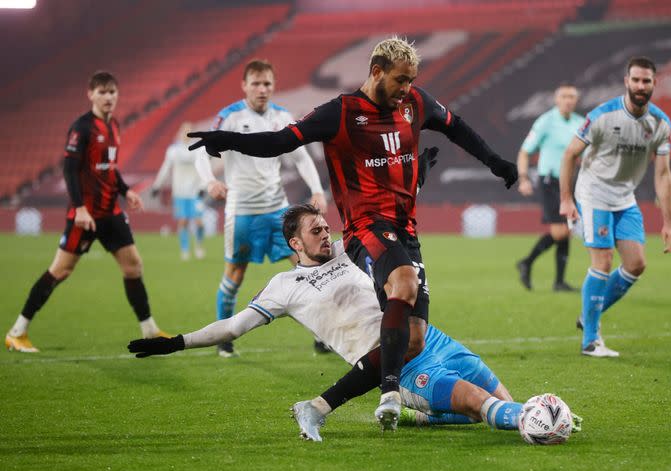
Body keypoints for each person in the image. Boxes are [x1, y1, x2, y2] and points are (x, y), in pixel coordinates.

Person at [187, 37, 517, 429]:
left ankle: (372, 409)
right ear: (376, 72)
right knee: (404, 283)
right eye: (400, 80)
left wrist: (494, 161)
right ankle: (390, 392)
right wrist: (229, 140)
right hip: (366, 229)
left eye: (412, 81)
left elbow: (456, 127)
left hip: (406, 230)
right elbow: (281, 141)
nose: (406, 90)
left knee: (414, 339)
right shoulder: (340, 113)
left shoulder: (415, 104)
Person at [128, 204, 582, 442]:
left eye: (326, 228)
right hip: (396, 366)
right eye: (315, 231)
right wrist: (174, 343)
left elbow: (384, 224)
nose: (326, 234)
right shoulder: (283, 286)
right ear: (294, 241)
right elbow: (230, 328)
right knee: (478, 403)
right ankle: (541, 424)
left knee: (501, 398)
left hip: (430, 338)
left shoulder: (349, 250)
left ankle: (512, 417)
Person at [5, 71, 169, 353]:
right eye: (103, 92)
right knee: (61, 270)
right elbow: (69, 169)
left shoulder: (114, 125)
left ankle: (150, 330)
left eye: (112, 92)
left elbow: (109, 167)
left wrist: (126, 191)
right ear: (90, 94)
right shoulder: (82, 128)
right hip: (86, 215)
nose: (108, 98)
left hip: (110, 213)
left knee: (133, 266)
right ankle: (17, 331)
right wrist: (80, 208)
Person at [194, 59, 327, 358]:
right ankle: (223, 338)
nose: (262, 89)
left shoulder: (281, 116)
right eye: (255, 83)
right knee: (235, 274)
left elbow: (302, 157)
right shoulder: (228, 117)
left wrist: (317, 189)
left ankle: (323, 335)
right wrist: (208, 181)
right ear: (244, 86)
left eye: (267, 83)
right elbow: (202, 151)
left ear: (273, 85)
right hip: (242, 212)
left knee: (309, 269)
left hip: (278, 212)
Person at [559, 57, 671, 358]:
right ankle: (590, 340)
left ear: (654, 83)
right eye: (635, 80)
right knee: (603, 261)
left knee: (636, 264)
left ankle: (588, 315)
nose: (640, 86)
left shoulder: (660, 124)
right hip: (594, 193)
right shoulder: (602, 116)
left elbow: (663, 175)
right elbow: (569, 155)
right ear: (626, 81)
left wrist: (669, 223)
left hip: (625, 197)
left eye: (646, 81)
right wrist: (567, 199)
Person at [515, 83, 584, 292]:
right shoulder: (546, 121)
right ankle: (527, 262)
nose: (568, 100)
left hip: (570, 183)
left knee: (566, 230)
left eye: (572, 96)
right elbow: (525, 152)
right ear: (556, 99)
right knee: (560, 231)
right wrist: (524, 178)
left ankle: (559, 282)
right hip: (549, 181)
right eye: (564, 96)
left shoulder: (581, 123)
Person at [151, 122, 206, 261]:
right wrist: (157, 185)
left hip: (195, 191)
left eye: (189, 130)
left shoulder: (198, 149)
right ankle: (185, 250)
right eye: (184, 131)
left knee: (199, 223)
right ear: (180, 133)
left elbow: (204, 168)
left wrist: (203, 186)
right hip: (180, 193)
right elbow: (165, 167)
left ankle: (199, 246)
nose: (187, 133)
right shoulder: (174, 150)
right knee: (183, 222)